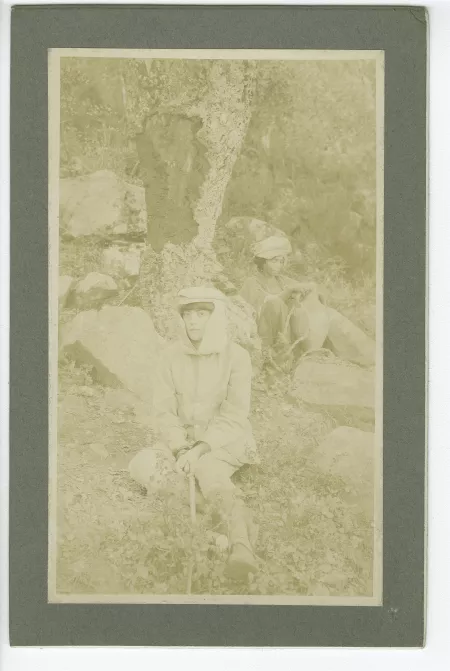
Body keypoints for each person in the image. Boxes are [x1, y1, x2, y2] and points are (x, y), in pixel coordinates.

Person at [128, 286, 259, 580]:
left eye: (202, 314)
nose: (194, 321)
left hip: (224, 441)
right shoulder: (169, 357)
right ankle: (215, 521)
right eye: (188, 314)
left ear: (216, 317)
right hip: (182, 443)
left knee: (208, 469)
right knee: (143, 465)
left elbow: (235, 414)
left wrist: (198, 450)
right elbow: (164, 411)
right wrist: (178, 448)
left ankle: (241, 545)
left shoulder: (236, 357)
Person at [239, 235, 375, 370]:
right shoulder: (251, 282)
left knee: (331, 315)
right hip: (270, 336)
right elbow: (264, 306)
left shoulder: (282, 280)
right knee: (276, 304)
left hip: (290, 332)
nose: (279, 265)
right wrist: (289, 292)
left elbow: (307, 290)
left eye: (281, 261)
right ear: (263, 261)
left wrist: (308, 288)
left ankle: (368, 355)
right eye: (274, 261)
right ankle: (281, 357)